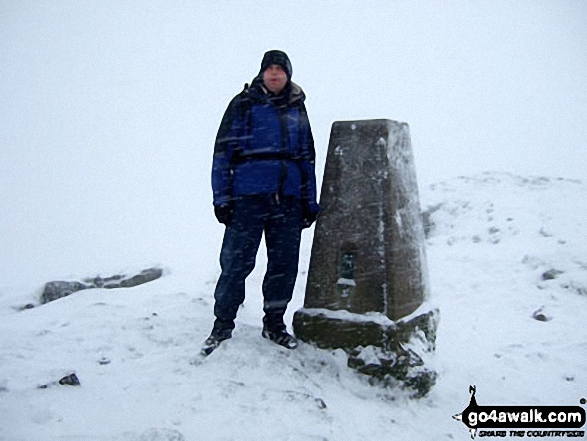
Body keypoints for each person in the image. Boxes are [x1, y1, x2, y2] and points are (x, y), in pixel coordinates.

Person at [202, 50, 321, 356]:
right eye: (269, 68)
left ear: (288, 74)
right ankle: (222, 324)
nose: (274, 73)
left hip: (289, 201)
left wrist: (310, 201)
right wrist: (222, 198)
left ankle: (274, 324)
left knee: (284, 267)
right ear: (261, 73)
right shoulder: (243, 104)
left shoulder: (298, 107)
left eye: (280, 69)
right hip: (247, 199)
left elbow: (308, 158)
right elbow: (222, 155)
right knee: (235, 263)